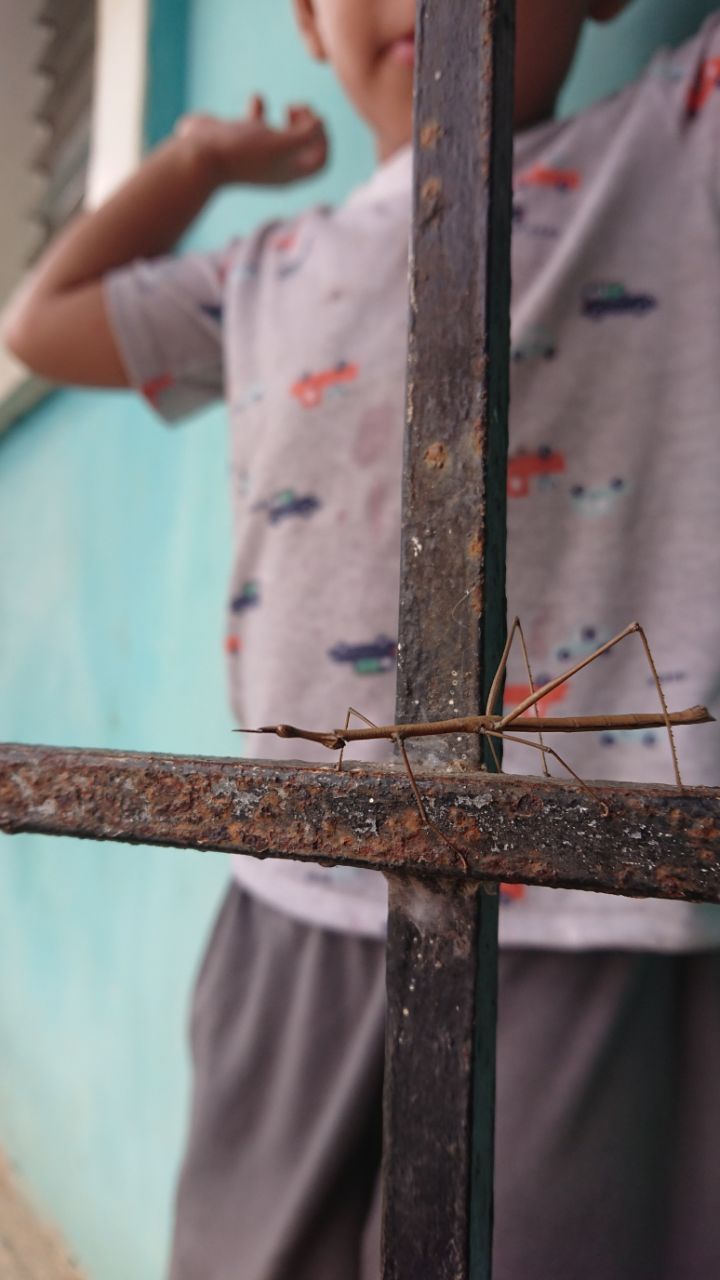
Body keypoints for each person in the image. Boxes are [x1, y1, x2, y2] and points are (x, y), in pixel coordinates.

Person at [4, 1, 720, 1276]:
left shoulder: (672, 145)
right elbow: (37, 321)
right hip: (289, 899)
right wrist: (198, 160)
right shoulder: (263, 271)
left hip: (589, 916)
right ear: (303, 20)